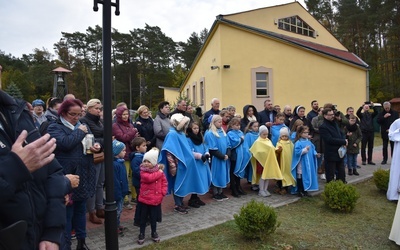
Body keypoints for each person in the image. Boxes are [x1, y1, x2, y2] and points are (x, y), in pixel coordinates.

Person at [0, 90, 65, 249]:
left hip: (39, 239)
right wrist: (15, 168)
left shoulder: (16, 111)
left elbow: (53, 172)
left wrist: (52, 232)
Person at [47, 98, 101, 250]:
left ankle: (82, 242)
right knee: (67, 214)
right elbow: (65, 143)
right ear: (63, 113)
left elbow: (92, 141)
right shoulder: (54, 127)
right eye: (73, 114)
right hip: (67, 177)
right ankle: (66, 245)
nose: (77, 117)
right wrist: (79, 132)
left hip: (84, 175)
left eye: (79, 114)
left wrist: (97, 146)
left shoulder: (82, 126)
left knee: (81, 212)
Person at [159, 114, 208, 213]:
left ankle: (180, 202)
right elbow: (169, 150)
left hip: (185, 163)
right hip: (178, 164)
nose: (185, 125)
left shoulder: (181, 133)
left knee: (183, 183)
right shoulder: (172, 134)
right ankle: (177, 204)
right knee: (178, 184)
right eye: (184, 123)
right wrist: (173, 165)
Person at [80, 99, 105, 224]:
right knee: (93, 184)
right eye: (96, 108)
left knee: (100, 183)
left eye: (100, 108)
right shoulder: (84, 121)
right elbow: (90, 139)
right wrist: (102, 141)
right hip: (91, 156)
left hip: (101, 154)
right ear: (89, 109)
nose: (99, 110)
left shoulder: (99, 121)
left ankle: (100, 207)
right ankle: (92, 211)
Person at [137, 148, 168, 245]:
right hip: (145, 200)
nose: (146, 163)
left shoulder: (159, 172)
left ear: (154, 162)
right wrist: (159, 172)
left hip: (155, 200)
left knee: (154, 218)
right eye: (144, 161)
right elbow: (150, 178)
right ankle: (141, 233)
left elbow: (164, 182)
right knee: (143, 218)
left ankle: (154, 232)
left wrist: (162, 192)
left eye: (148, 161)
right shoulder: (143, 172)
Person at [113, 106, 139, 209]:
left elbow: (132, 136)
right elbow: (123, 137)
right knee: (124, 177)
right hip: (123, 154)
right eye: (123, 114)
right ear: (119, 115)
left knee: (134, 175)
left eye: (127, 114)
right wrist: (133, 132)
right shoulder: (115, 125)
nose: (125, 116)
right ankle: (125, 199)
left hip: (132, 152)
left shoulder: (130, 124)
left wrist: (134, 135)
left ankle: (134, 196)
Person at [249, 125, 283, 197]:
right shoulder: (258, 142)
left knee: (267, 175)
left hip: (268, 161)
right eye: (263, 134)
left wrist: (277, 149)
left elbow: (272, 149)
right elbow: (256, 151)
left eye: (266, 134)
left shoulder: (268, 140)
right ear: (260, 133)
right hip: (261, 162)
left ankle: (265, 189)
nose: (265, 136)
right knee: (263, 176)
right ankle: (261, 190)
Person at [204, 115, 231, 201]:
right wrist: (222, 156)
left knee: (222, 174)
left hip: (224, 158)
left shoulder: (223, 132)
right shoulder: (210, 133)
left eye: (221, 121)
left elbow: (228, 145)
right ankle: (215, 192)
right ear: (213, 123)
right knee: (216, 174)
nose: (220, 123)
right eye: (218, 122)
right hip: (216, 158)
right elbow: (212, 148)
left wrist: (227, 154)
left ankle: (221, 192)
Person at [186, 122, 212, 207]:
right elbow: (189, 151)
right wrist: (200, 156)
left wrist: (207, 153)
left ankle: (196, 197)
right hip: (195, 163)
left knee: (201, 179)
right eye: (194, 128)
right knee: (195, 180)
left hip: (202, 163)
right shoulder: (188, 139)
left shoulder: (200, 137)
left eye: (197, 128)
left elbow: (205, 146)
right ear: (190, 129)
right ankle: (192, 199)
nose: (196, 130)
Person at [319, 108, 348, 183]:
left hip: (340, 152)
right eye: (330, 115)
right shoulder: (323, 126)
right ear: (325, 116)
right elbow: (329, 140)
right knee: (330, 174)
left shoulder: (334, 123)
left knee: (341, 173)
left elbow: (340, 133)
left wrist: (344, 141)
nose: (333, 116)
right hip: (331, 154)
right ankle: (331, 189)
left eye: (333, 114)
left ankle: (342, 185)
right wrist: (343, 141)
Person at [291, 125, 319, 197]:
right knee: (300, 176)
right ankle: (300, 190)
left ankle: (305, 190)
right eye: (304, 133)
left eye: (307, 132)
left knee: (306, 176)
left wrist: (315, 154)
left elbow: (313, 149)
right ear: (300, 134)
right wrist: (304, 150)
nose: (306, 134)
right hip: (301, 164)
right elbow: (297, 153)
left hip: (308, 163)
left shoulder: (309, 142)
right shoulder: (298, 143)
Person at [227, 117, 251, 197]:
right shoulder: (230, 133)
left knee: (238, 172)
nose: (238, 127)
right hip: (234, 155)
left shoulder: (240, 132)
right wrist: (240, 140)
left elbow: (244, 142)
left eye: (239, 125)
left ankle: (238, 187)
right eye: (236, 125)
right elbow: (233, 143)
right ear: (232, 125)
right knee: (233, 172)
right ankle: (234, 189)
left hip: (241, 155)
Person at [111, 139, 129, 236]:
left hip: (122, 192)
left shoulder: (120, 162)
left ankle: (117, 224)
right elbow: (115, 182)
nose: (125, 152)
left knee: (120, 210)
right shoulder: (115, 165)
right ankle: (113, 226)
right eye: (123, 150)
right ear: (117, 152)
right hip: (118, 193)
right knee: (116, 211)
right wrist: (118, 194)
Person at [130, 137, 147, 226]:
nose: (146, 147)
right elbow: (136, 172)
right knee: (140, 202)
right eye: (143, 146)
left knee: (144, 202)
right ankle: (138, 220)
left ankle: (143, 218)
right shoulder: (136, 159)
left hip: (143, 183)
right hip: (139, 184)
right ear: (137, 148)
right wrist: (146, 173)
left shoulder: (143, 157)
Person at [275, 127, 295, 195]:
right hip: (281, 162)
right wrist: (278, 150)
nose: (284, 137)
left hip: (288, 162)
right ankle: (279, 187)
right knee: (281, 174)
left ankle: (285, 188)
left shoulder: (290, 143)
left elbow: (293, 150)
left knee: (287, 174)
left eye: (286, 136)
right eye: (283, 136)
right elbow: (276, 150)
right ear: (280, 136)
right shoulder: (279, 143)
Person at [387, 118, 400, 201]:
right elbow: (391, 134)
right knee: (397, 170)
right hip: (399, 150)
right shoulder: (397, 122)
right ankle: (394, 194)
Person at [243, 121, 260, 190]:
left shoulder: (259, 135)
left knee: (258, 170)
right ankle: (253, 183)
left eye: (257, 126)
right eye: (254, 126)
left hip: (258, 155)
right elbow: (246, 145)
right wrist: (249, 152)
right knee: (252, 169)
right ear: (250, 127)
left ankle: (258, 182)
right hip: (252, 155)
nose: (256, 128)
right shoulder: (248, 135)